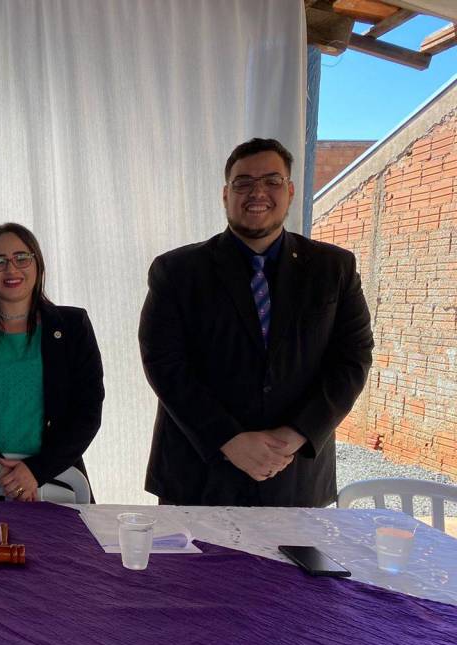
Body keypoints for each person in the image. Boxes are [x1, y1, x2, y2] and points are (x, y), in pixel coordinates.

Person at [138, 138, 374, 507]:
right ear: (225, 194)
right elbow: (164, 363)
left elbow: (352, 360)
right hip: (198, 473)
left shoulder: (334, 269)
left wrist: (295, 435)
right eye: (243, 182)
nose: (257, 192)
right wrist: (228, 439)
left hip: (294, 473)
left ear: (290, 191)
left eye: (272, 181)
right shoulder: (177, 271)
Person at [0, 223, 104, 502]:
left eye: (21, 258)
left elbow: (87, 412)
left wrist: (36, 470)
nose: (11, 269)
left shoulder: (73, 326)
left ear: (37, 264)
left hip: (57, 478)